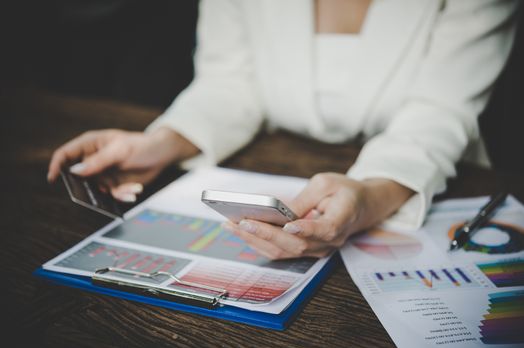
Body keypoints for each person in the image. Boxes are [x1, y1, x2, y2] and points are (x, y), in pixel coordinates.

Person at [47, 0, 518, 260]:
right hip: (273, 162)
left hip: (425, 190)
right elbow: (231, 81)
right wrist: (159, 143)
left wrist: (369, 195)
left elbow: (438, 111)